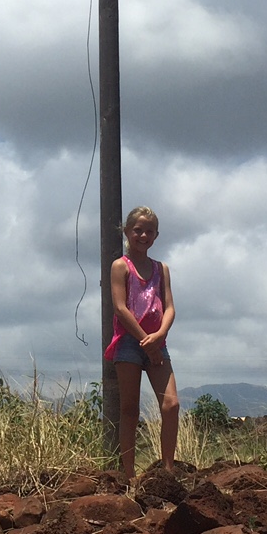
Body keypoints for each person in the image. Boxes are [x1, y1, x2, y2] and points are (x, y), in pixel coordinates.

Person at [107, 205, 180, 478]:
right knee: (130, 410)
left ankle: (167, 471)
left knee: (171, 404)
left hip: (157, 342)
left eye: (149, 231)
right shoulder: (120, 267)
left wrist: (158, 336)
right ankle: (129, 476)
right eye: (138, 230)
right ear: (127, 232)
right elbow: (120, 308)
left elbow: (170, 306)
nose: (143, 235)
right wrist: (145, 341)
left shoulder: (161, 269)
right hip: (128, 343)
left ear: (156, 236)